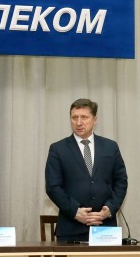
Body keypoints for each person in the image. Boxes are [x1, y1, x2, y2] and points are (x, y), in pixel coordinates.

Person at [44, 98, 128, 242]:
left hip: (105, 227)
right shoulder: (58, 149)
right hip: (71, 229)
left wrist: (109, 209)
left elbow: (121, 181)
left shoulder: (110, 147)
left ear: (95, 119)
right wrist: (75, 212)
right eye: (74, 117)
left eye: (84, 117)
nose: (79, 122)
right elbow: (53, 187)